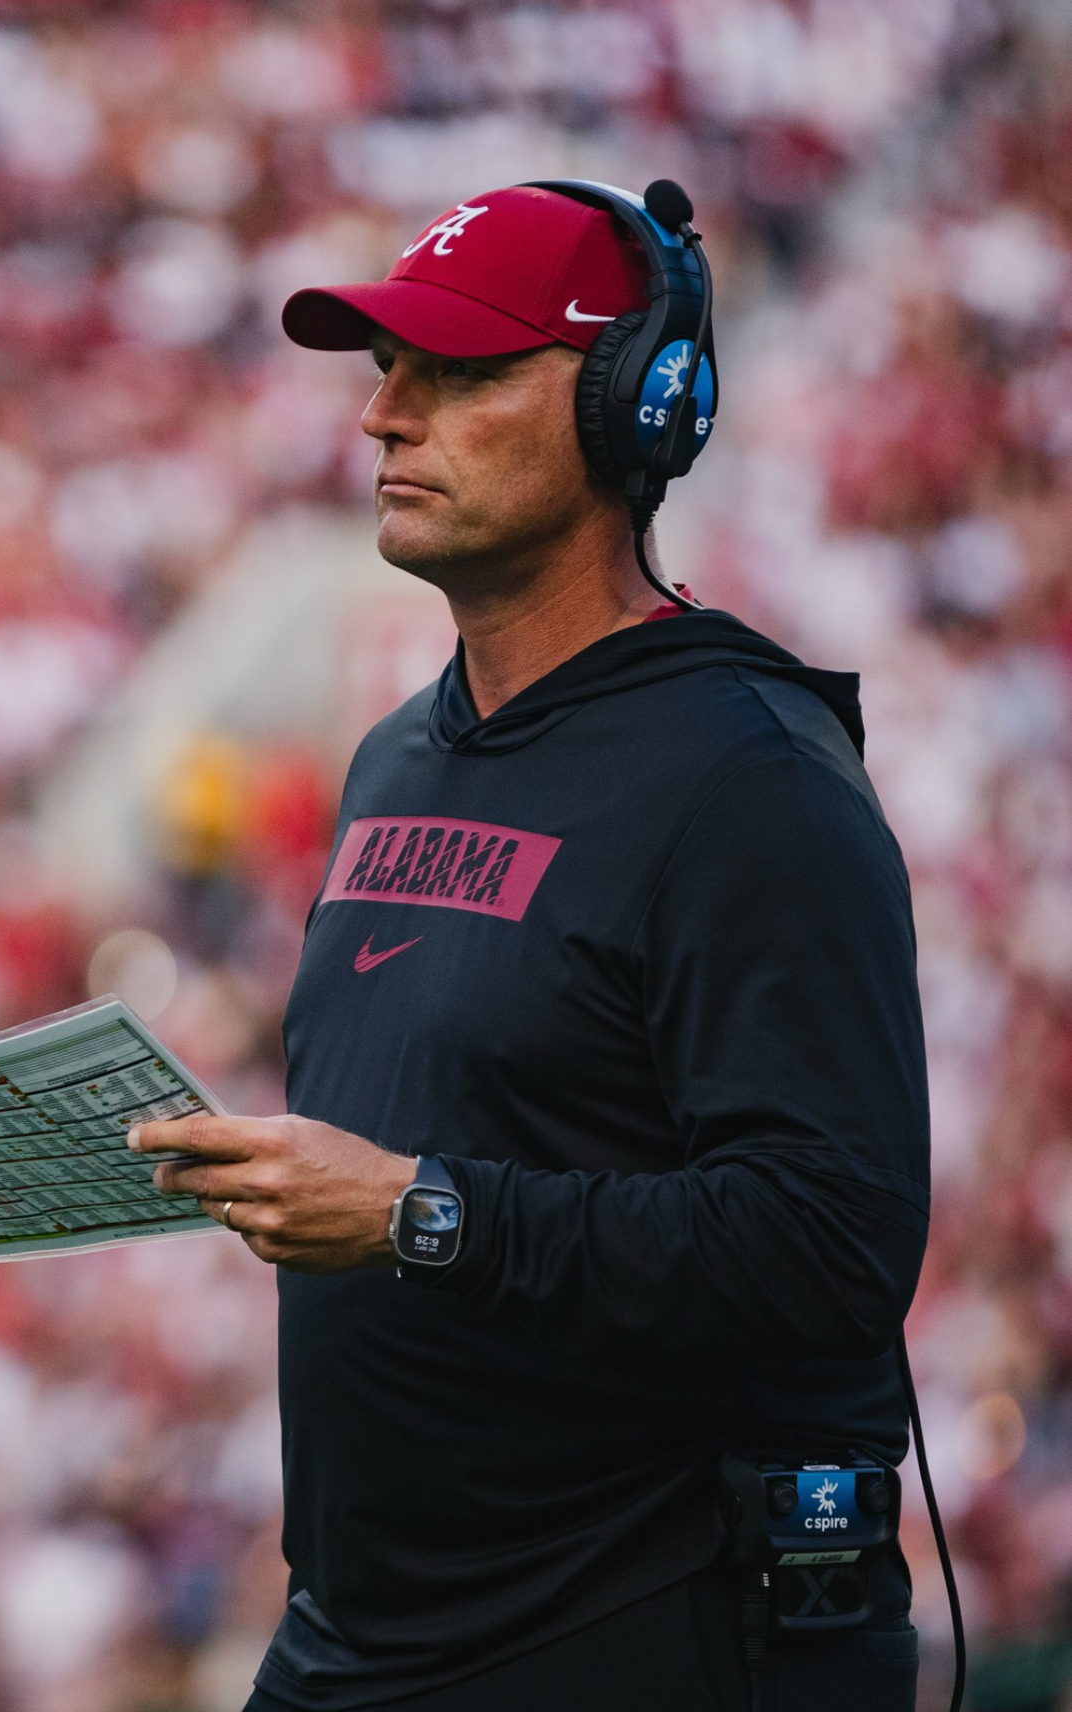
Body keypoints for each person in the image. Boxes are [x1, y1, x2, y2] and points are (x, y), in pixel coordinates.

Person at [125, 183, 931, 1710]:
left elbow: (832, 1248)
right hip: (363, 1631)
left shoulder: (746, 779)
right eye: (380, 368)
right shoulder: (389, 760)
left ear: (642, 406)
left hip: (646, 1627)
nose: (384, 416)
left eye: (463, 372)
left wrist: (423, 1215)